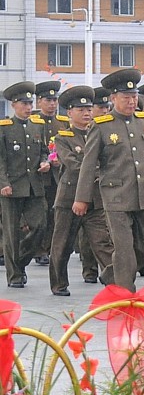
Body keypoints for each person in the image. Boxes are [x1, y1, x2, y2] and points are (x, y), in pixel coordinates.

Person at [74, 69, 144, 291]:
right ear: (113, 98)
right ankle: (126, 296)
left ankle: (111, 274)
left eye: (134, 97)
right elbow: (88, 166)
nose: (131, 101)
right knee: (124, 248)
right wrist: (82, 198)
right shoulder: (102, 126)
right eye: (126, 97)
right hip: (115, 196)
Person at [48, 86, 115, 296]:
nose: (86, 113)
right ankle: (59, 284)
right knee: (62, 244)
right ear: (69, 112)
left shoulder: (99, 132)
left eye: (88, 109)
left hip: (95, 199)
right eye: (81, 109)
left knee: (103, 243)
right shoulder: (62, 137)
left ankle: (116, 284)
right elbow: (73, 164)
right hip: (70, 198)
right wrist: (99, 172)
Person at [0, 81, 52, 287]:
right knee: (12, 233)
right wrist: (3, 182)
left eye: (30, 103)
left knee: (40, 225)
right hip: (12, 186)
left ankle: (20, 261)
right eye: (24, 103)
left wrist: (45, 162)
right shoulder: (5, 128)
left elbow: (43, 151)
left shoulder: (37, 125)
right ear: (14, 105)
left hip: (34, 185)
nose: (28, 107)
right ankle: (15, 276)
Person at [33, 80, 65, 266]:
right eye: (48, 100)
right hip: (38, 175)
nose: (52, 104)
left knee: (55, 213)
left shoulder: (62, 123)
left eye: (54, 100)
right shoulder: (33, 122)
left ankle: (49, 248)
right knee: (40, 214)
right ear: (39, 102)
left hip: (57, 174)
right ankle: (38, 249)